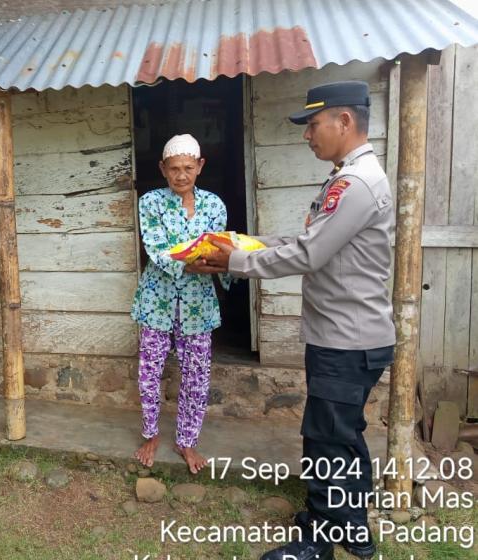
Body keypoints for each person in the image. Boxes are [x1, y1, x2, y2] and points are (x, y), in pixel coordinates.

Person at [202, 81, 394, 560]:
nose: (308, 135)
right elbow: (303, 240)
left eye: (313, 124)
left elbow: (309, 254)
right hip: (345, 336)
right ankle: (350, 527)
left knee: (327, 440)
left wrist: (233, 263)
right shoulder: (346, 177)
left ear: (343, 121)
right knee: (341, 435)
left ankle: (321, 541)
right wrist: (245, 242)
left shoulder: (356, 183)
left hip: (346, 341)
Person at [130, 134, 230, 474]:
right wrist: (193, 263)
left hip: (198, 305)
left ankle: (187, 441)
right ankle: (151, 435)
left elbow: (220, 249)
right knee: (149, 372)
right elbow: (156, 249)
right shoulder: (151, 203)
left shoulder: (215, 206)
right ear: (163, 168)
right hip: (156, 300)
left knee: (196, 376)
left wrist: (231, 265)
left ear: (200, 167)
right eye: (174, 169)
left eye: (188, 167)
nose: (181, 175)